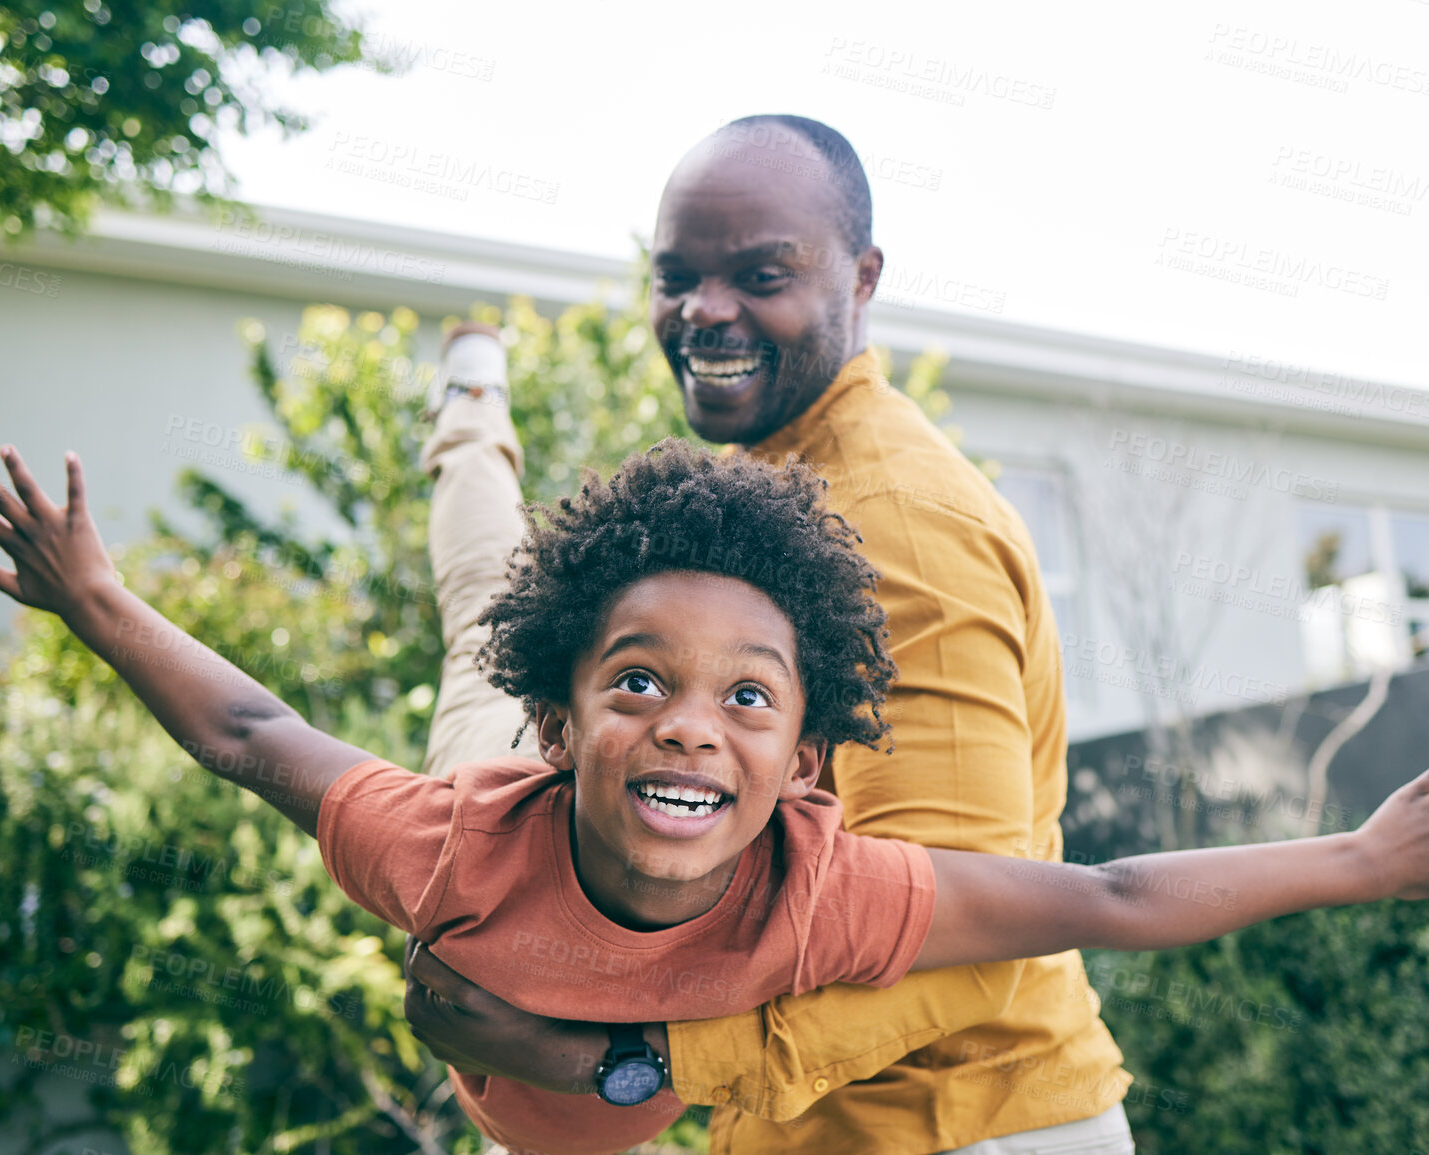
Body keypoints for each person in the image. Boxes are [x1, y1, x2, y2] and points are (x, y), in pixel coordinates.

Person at [0, 440, 1429, 1155]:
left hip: (596, 1113)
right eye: (637, 680)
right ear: (572, 716)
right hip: (479, 787)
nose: (689, 728)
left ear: (804, 760)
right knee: (477, 601)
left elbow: (1113, 896)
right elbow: (247, 730)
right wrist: (98, 601)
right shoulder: (444, 835)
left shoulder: (833, 887)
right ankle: (467, 421)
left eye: (748, 698)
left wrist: (1357, 853)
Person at [400, 113, 1141, 1155]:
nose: (706, 312)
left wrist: (619, 1062)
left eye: (760, 274)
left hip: (958, 1128)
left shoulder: (898, 527)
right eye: (678, 276)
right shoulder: (773, 495)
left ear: (863, 276)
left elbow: (972, 932)